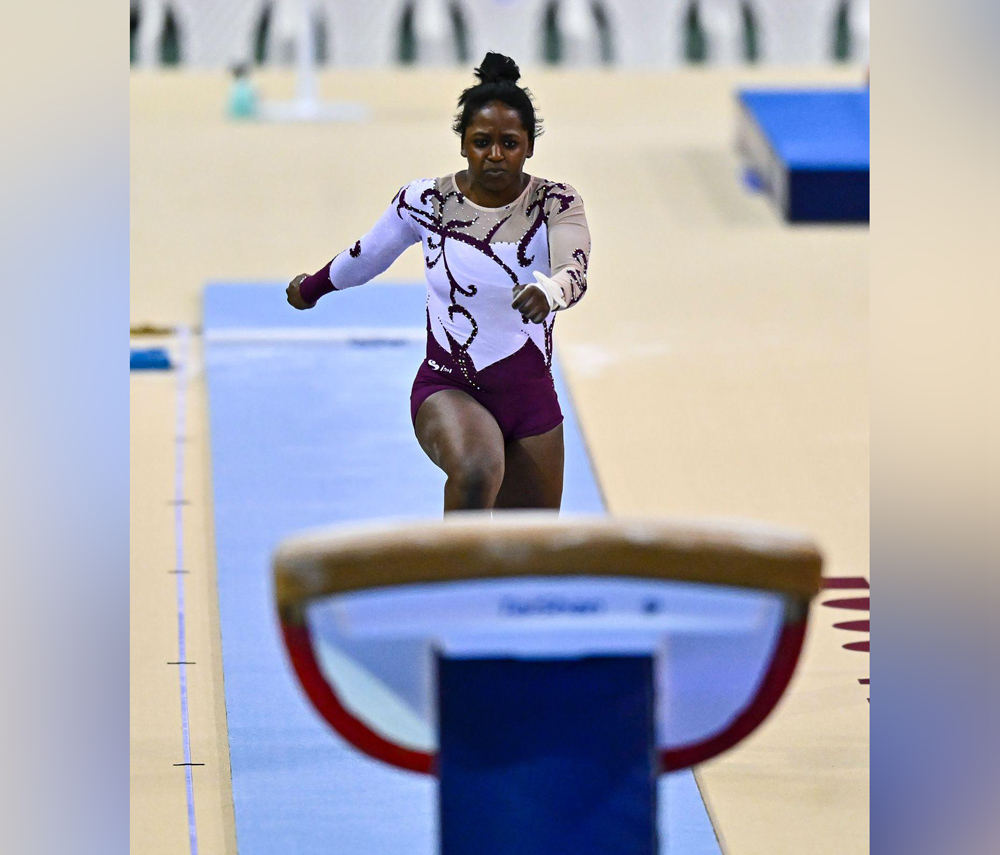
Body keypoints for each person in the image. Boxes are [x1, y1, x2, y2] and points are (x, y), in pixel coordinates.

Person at [286, 52, 591, 514]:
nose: (494, 155)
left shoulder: (556, 203)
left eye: (509, 143)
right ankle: (449, 582)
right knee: (475, 469)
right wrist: (312, 287)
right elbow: (367, 254)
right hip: (451, 386)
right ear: (463, 143)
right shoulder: (426, 202)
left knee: (529, 550)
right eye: (481, 141)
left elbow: (575, 269)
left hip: (532, 401)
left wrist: (548, 291)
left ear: (529, 146)